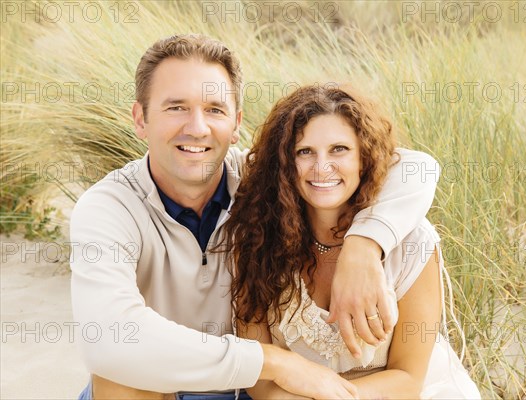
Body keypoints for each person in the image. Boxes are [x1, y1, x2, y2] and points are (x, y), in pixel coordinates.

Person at [70, 35, 440, 399]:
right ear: (140, 119)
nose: (197, 127)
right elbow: (108, 338)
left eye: (214, 109)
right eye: (176, 107)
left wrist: (363, 246)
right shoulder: (108, 208)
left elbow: (415, 167)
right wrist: (272, 362)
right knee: (118, 379)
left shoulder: (266, 183)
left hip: (240, 392)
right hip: (157, 387)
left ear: (236, 124)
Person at [225, 85, 482, 399]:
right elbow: (260, 376)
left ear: (365, 156)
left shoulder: (412, 242)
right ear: (285, 164)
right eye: (304, 152)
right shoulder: (256, 237)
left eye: (339, 149)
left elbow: (407, 379)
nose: (322, 168)